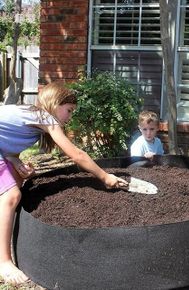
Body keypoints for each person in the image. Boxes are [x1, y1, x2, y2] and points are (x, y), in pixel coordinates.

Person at [0, 82, 128, 284]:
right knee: (12, 195)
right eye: (68, 110)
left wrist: (15, 160)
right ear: (55, 103)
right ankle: (4, 262)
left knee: (15, 181)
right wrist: (104, 176)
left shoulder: (32, 116)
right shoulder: (45, 118)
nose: (69, 117)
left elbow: (6, 138)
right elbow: (76, 155)